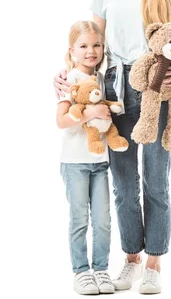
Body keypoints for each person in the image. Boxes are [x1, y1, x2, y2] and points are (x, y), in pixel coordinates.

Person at [54, 0, 171, 294]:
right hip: (116, 87)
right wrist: (65, 75)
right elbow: (91, 48)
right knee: (123, 182)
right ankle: (130, 258)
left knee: (156, 180)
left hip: (157, 88)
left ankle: (153, 264)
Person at [56, 20, 116, 295]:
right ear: (72, 50)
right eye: (83, 46)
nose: (91, 51)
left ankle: (101, 270)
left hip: (100, 162)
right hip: (75, 162)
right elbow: (61, 121)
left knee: (102, 219)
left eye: (96, 45)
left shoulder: (103, 80)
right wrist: (90, 114)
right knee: (80, 218)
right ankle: (81, 272)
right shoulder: (68, 79)